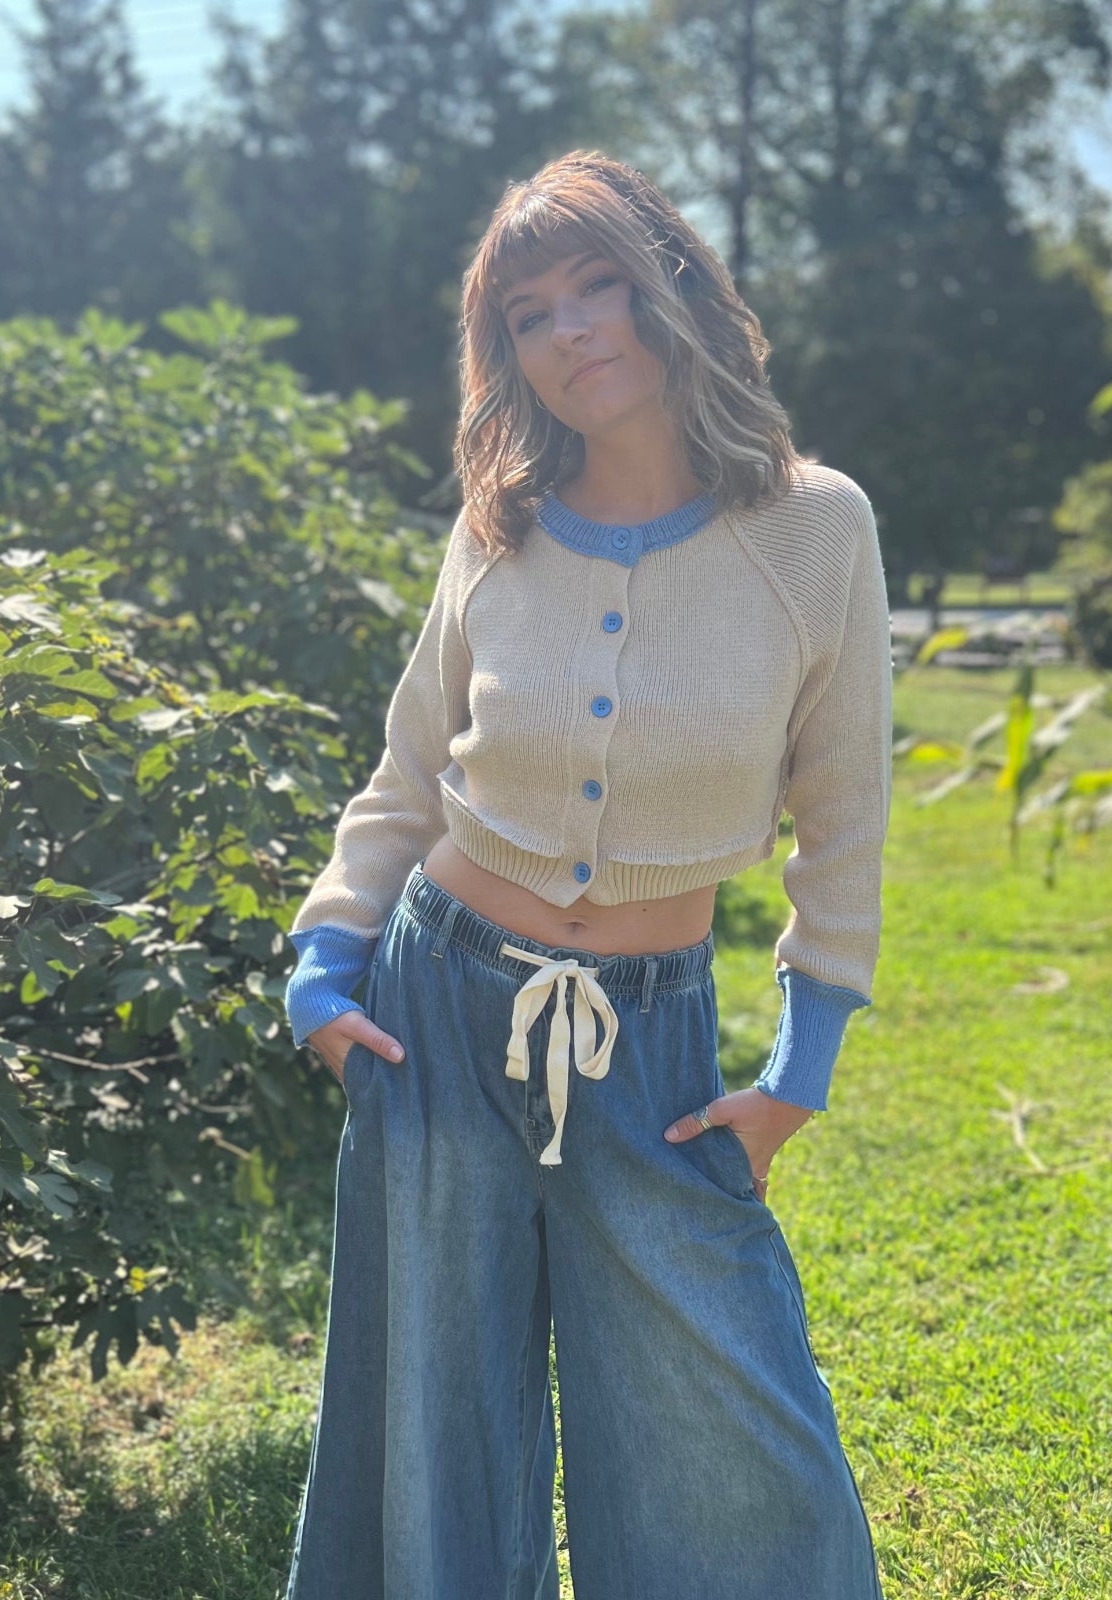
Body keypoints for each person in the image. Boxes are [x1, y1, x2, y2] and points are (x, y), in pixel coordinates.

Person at [282, 148, 892, 1600]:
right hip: (435, 1015)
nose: (571, 331)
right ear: (507, 353)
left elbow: (845, 818)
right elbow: (410, 770)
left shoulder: (816, 530)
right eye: (530, 313)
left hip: (651, 1041)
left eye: (598, 285)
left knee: (731, 1439)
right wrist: (321, 965)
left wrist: (799, 1072)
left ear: (672, 286)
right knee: (438, 1433)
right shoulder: (498, 528)